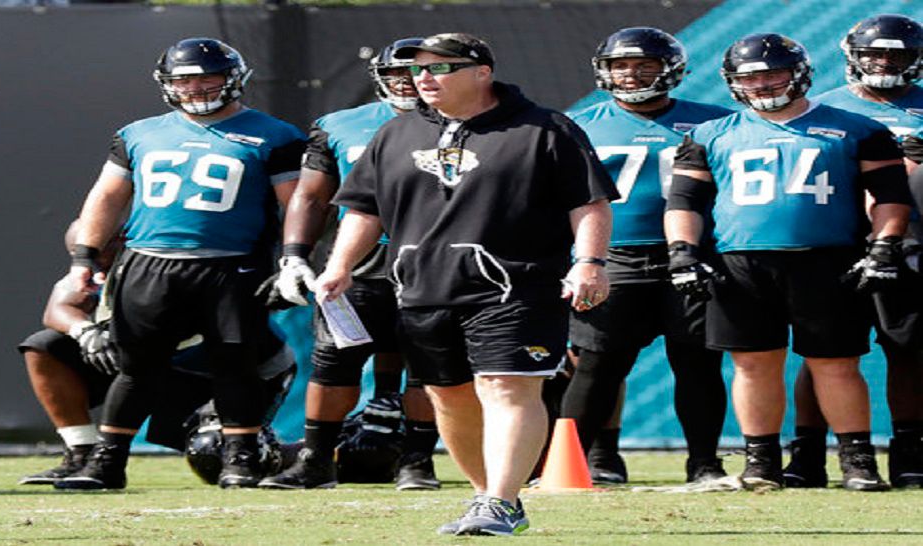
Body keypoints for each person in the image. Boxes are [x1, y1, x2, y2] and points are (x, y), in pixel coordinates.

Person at [318, 33, 617, 535]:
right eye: (416, 71)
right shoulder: (395, 134)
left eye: (441, 68)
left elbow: (589, 203)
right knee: (448, 397)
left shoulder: (544, 128)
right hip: (422, 289)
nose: (424, 79)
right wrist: (340, 264)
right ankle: (492, 497)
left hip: (515, 287)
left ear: (482, 72)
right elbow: (363, 208)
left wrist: (590, 261)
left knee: (506, 388)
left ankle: (500, 501)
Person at [54, 37, 305, 490]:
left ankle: (241, 457)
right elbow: (107, 197)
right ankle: (107, 463)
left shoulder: (276, 135)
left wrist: (294, 257)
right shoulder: (138, 133)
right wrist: (83, 257)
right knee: (138, 367)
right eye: (183, 79)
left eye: (207, 77)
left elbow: (300, 204)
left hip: (233, 265)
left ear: (234, 79)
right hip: (151, 263)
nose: (196, 87)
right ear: (167, 84)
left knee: (235, 363)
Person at [665, 33, 912, 491]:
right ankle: (761, 462)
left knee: (836, 363)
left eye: (772, 73)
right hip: (739, 261)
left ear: (798, 73)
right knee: (753, 365)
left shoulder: (858, 128)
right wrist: (682, 251)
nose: (761, 84)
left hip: (827, 259)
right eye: (749, 76)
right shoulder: (710, 133)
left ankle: (858, 462)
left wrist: (885, 244)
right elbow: (684, 200)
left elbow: (890, 196)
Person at [256, 38, 441, 491]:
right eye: (397, 74)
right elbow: (312, 195)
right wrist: (295, 257)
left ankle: (417, 460)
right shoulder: (340, 125)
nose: (407, 83)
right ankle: (317, 460)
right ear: (380, 79)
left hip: (436, 264)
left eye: (415, 74)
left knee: (429, 369)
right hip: (358, 266)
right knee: (333, 363)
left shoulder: (465, 123)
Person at [561, 27, 730, 485]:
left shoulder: (715, 122)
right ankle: (574, 463)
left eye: (644, 66)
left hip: (691, 255)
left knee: (696, 362)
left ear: (670, 70)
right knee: (596, 362)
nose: (631, 75)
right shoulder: (578, 124)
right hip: (612, 256)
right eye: (620, 66)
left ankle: (704, 464)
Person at [19, 220, 299, 486]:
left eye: (99, 253)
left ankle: (313, 454)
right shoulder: (90, 269)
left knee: (212, 452)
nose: (96, 264)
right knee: (46, 346)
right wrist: (86, 331)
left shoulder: (161, 260)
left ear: (121, 240)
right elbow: (58, 307)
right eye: (83, 255)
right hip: (161, 367)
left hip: (235, 368)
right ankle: (81, 450)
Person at [785, 13, 923, 489]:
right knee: (823, 355)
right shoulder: (819, 109)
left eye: (896, 54)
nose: (884, 62)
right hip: (834, 243)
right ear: (853, 57)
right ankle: (806, 453)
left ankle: (909, 451)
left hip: (910, 245)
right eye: (875, 53)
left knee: (908, 351)